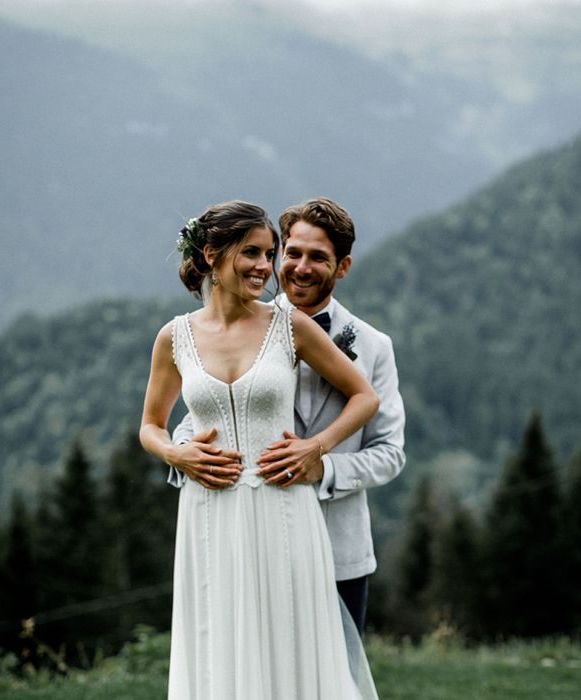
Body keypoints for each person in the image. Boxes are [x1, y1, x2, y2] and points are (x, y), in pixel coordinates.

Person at [139, 200, 380, 699]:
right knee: (217, 648)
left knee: (291, 647)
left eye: (269, 254)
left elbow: (365, 396)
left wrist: (317, 447)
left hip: (283, 512)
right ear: (210, 254)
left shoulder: (287, 325)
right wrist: (174, 454)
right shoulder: (174, 338)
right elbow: (150, 426)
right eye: (251, 252)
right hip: (208, 514)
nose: (264, 267)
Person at [171, 197, 406, 634]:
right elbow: (206, 408)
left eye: (318, 258)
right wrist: (183, 450)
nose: (300, 267)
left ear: (343, 267)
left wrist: (322, 464)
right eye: (292, 253)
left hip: (337, 551)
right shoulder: (238, 325)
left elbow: (390, 454)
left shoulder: (373, 347)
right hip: (249, 542)